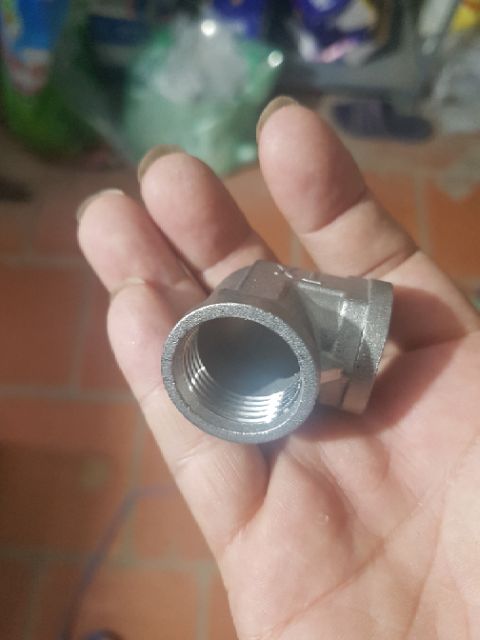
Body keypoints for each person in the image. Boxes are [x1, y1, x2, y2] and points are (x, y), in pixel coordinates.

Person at [77, 98, 480, 639]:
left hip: (311, 348)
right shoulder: (229, 346)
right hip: (290, 347)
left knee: (344, 346)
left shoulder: (322, 335)